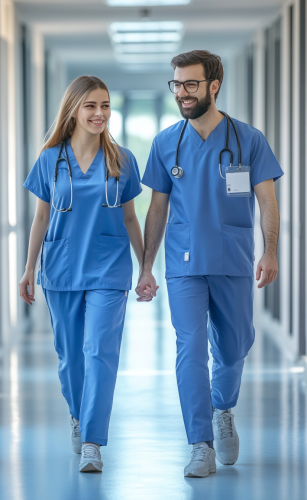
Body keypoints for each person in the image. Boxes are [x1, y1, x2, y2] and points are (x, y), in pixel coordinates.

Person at [136, 50, 283, 478]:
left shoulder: (248, 139)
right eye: (176, 84)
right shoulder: (167, 142)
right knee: (190, 350)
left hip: (233, 258)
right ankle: (200, 443)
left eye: (190, 84)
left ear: (213, 86)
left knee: (236, 344)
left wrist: (270, 250)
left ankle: (223, 407)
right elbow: (156, 210)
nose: (181, 92)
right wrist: (146, 266)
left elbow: (267, 200)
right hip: (183, 263)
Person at [19, 75, 144, 473]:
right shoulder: (49, 158)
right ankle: (77, 414)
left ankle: (92, 440)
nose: (100, 113)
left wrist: (146, 268)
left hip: (110, 269)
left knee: (100, 353)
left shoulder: (122, 160)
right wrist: (27, 269)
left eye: (105, 106)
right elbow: (41, 217)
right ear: (73, 109)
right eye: (91, 106)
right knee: (71, 357)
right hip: (61, 267)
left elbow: (130, 217)